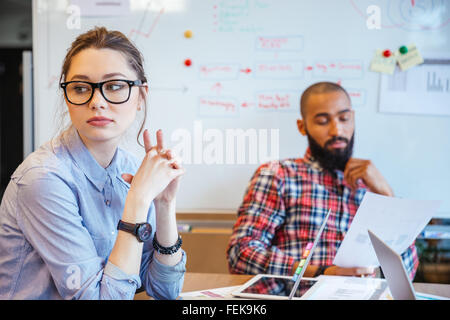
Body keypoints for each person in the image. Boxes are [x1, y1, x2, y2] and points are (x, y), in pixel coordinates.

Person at [0, 27, 186, 300]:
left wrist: (164, 205)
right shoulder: (42, 179)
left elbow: (164, 290)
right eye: (80, 88)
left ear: (140, 96)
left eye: (113, 86)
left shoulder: (134, 169)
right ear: (67, 96)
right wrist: (137, 200)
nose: (97, 102)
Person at [227, 82, 418, 279]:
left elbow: (405, 274)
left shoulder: (370, 186)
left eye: (344, 118)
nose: (337, 130)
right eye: (322, 121)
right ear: (303, 127)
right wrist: (318, 273)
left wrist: (387, 196)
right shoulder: (278, 175)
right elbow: (241, 253)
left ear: (353, 119)